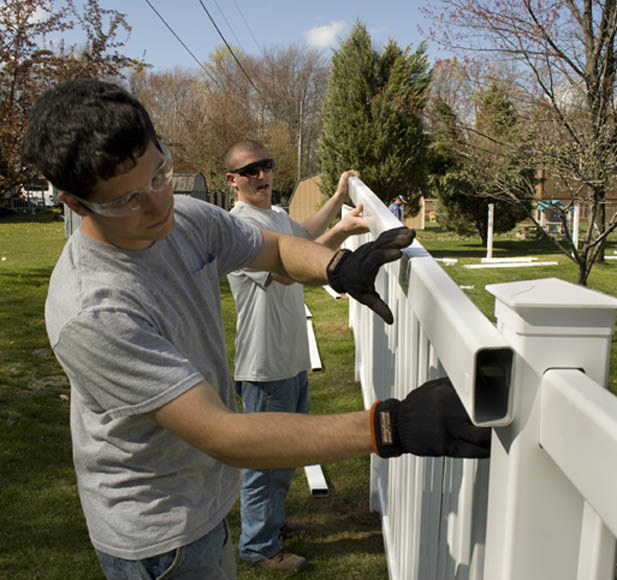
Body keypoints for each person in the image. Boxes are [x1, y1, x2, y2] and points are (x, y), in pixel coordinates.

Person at [22, 78, 491, 580]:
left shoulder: (185, 220)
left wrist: (337, 268)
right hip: (157, 534)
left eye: (160, 174)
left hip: (203, 502)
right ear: (76, 204)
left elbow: (272, 248)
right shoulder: (95, 313)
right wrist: (387, 426)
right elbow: (222, 433)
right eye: (127, 199)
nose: (158, 205)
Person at [224, 140, 368, 572]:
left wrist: (339, 197)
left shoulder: (272, 217)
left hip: (290, 359)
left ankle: (273, 526)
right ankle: (257, 548)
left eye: (266, 167)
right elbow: (286, 272)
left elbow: (302, 234)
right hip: (265, 366)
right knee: (264, 464)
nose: (262, 177)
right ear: (232, 180)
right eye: (251, 171)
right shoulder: (238, 230)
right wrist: (340, 235)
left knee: (284, 456)